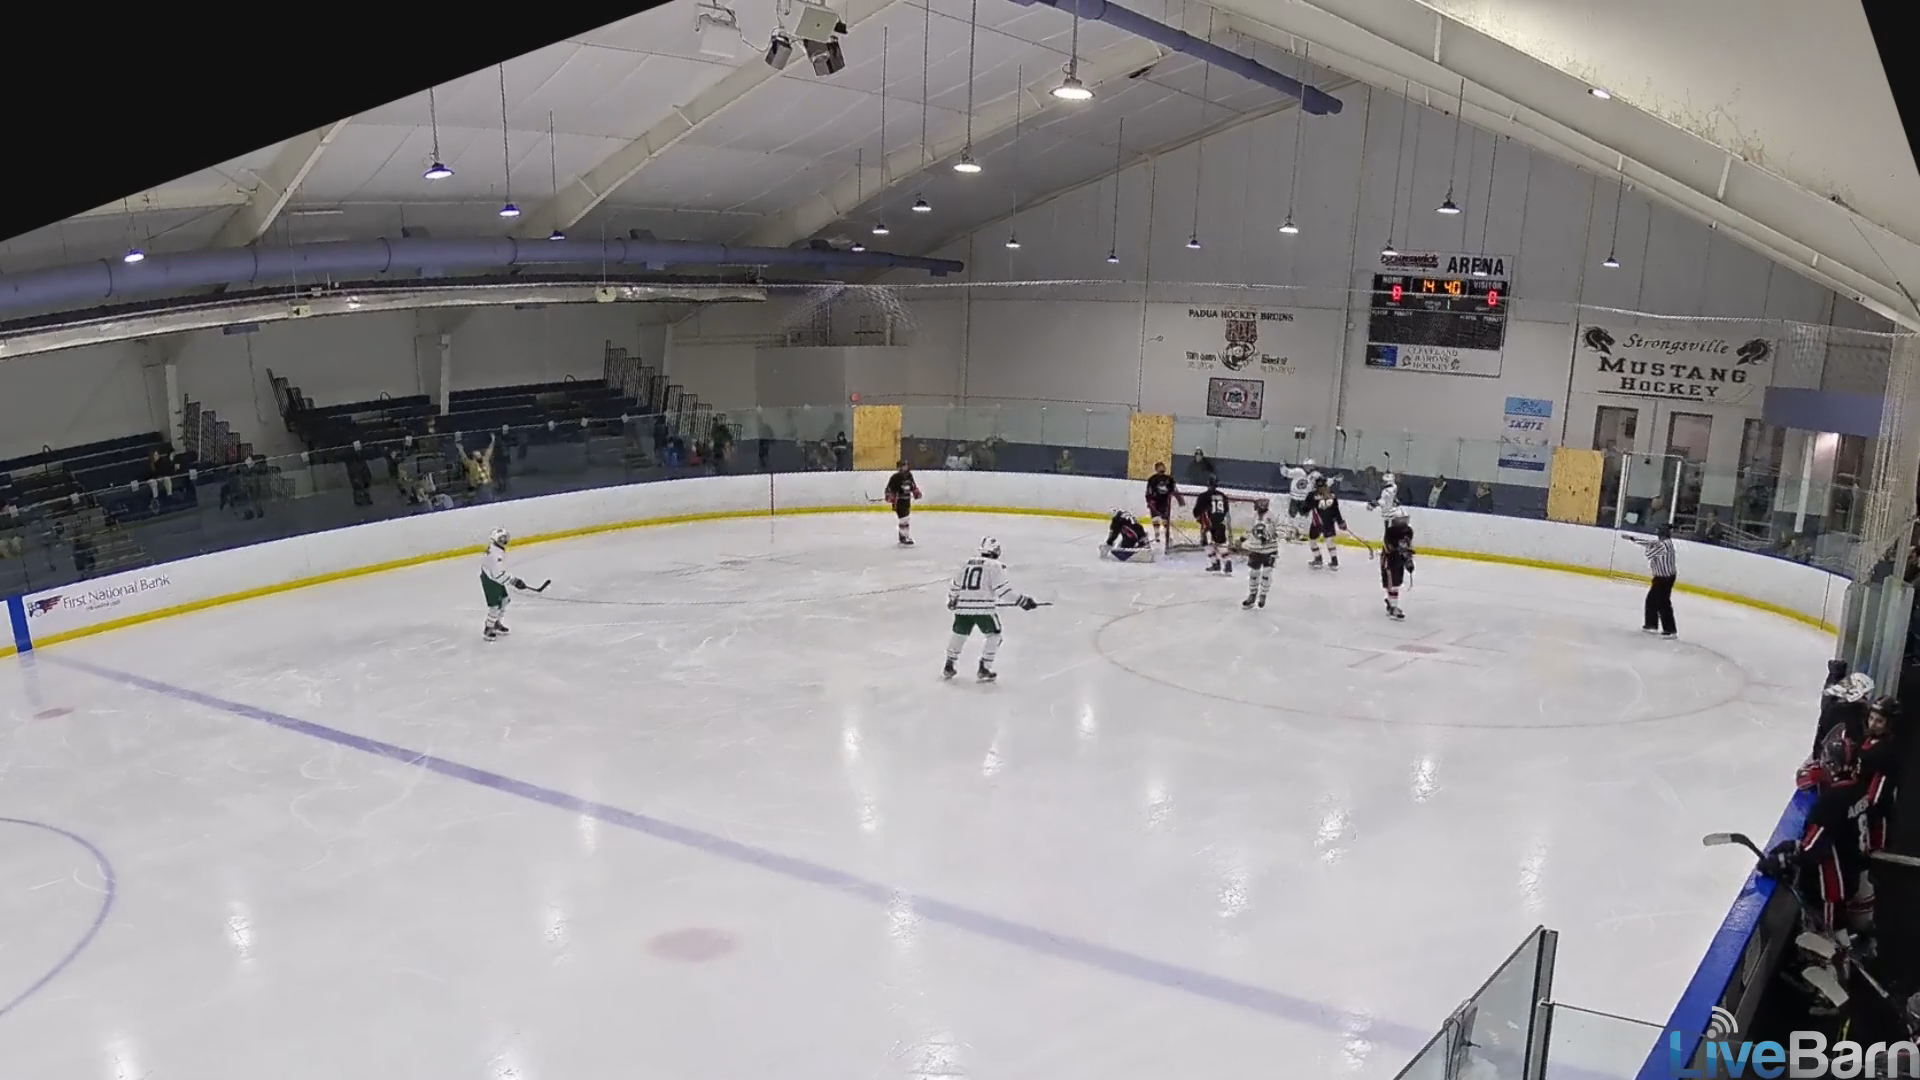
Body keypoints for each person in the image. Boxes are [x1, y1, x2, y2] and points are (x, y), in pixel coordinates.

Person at [944, 535, 1039, 682]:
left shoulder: (966, 564)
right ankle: (985, 667)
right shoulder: (995, 566)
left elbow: (955, 585)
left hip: (962, 608)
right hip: (984, 610)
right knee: (994, 636)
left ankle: (949, 664)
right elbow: (1004, 592)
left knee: (959, 634)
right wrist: (1022, 601)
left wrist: (952, 599)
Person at [1623, 524, 1678, 638]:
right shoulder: (1667, 543)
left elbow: (1648, 553)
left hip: (1663, 578)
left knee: (1662, 603)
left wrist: (1646, 546)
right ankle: (1652, 625)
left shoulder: (1662, 546)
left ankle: (1668, 629)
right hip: (1666, 577)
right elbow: (1649, 543)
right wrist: (1633, 539)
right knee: (1654, 601)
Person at [480, 527, 531, 641]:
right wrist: (514, 581)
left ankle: (496, 623)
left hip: (492, 577)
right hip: (490, 581)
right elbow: (497, 575)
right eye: (501, 539)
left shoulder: (495, 548)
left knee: (505, 599)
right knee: (495, 606)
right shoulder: (496, 555)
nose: (503, 541)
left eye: (505, 538)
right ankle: (488, 629)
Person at [1241, 497, 1281, 609]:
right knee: (1254, 573)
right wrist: (1244, 539)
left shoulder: (1272, 516)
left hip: (1270, 549)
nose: (1255, 507)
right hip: (1256, 549)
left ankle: (1263, 595)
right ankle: (1252, 595)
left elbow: (1280, 530)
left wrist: (1273, 535)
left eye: (1256, 505)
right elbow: (1252, 531)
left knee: (1266, 573)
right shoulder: (1254, 516)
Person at [1381, 505, 1414, 620]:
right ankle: (1394, 607)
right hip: (1389, 560)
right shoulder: (1390, 533)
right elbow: (1388, 548)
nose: (1403, 523)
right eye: (1400, 520)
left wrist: (1408, 559)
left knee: (1397, 582)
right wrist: (1399, 549)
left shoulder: (1409, 531)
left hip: (1399, 560)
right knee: (1392, 583)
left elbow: (1408, 545)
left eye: (1404, 519)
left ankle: (1391, 602)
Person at [1195, 478, 1233, 574]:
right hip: (1220, 523)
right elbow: (1226, 510)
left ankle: (1215, 563)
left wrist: (1201, 521)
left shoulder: (1203, 496)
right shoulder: (1223, 496)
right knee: (1221, 544)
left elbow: (1197, 511)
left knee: (1206, 544)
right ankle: (1228, 562)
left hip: (1208, 523)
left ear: (1208, 484)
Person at [1307, 480, 1346, 570]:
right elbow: (1336, 510)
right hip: (1328, 522)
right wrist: (1340, 521)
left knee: (1313, 540)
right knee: (1329, 541)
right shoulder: (1332, 495)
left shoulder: (1312, 495)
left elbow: (1305, 508)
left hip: (1317, 522)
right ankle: (1334, 561)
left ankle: (1318, 558)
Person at [1144, 462, 1183, 547]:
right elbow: (1148, 491)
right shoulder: (1152, 479)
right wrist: (1149, 500)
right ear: (1156, 469)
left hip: (1165, 501)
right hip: (1155, 501)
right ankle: (1157, 534)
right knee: (1155, 518)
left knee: (1165, 519)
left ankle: (1167, 535)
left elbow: (1174, 490)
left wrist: (1180, 499)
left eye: (1163, 466)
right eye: (1159, 467)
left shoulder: (1169, 479)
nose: (1161, 468)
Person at [884, 460, 923, 546]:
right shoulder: (895, 478)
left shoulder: (909, 476)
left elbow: (913, 486)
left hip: (907, 500)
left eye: (905, 465)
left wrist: (916, 493)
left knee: (905, 518)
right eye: (902, 466)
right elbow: (889, 489)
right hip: (899, 501)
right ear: (898, 468)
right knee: (904, 519)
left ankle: (902, 536)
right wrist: (890, 496)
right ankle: (905, 536)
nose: (904, 467)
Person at [1283, 459, 1316, 539]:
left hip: (1304, 499)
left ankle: (1299, 533)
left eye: (1311, 466)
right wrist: (1282, 466)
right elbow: (1286, 473)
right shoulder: (1298, 471)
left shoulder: (1313, 475)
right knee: (1291, 515)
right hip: (1294, 497)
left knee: (1303, 517)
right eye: (1308, 466)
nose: (1310, 468)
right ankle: (1288, 532)